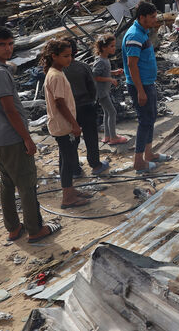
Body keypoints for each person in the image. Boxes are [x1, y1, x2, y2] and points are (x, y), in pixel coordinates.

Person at [0, 27, 59, 242]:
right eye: (1, 45)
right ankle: (35, 229)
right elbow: (9, 110)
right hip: (12, 138)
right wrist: (26, 137)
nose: (8, 49)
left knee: (6, 184)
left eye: (10, 44)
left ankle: (14, 228)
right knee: (26, 185)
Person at [42, 39, 91, 209]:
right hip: (63, 126)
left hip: (62, 124)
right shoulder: (55, 75)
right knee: (69, 161)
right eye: (65, 56)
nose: (69, 59)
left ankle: (70, 191)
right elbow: (60, 103)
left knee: (66, 159)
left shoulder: (57, 71)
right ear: (54, 56)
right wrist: (74, 125)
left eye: (70, 55)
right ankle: (67, 198)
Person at [123, 1, 169, 174]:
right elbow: (132, 65)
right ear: (141, 18)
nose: (154, 20)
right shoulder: (134, 35)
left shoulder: (142, 32)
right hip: (140, 86)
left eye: (155, 16)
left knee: (151, 118)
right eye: (151, 17)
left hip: (148, 83)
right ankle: (138, 162)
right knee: (144, 121)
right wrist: (140, 91)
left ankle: (149, 154)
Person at [63, 39, 109, 176]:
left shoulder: (57, 70)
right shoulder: (82, 67)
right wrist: (92, 100)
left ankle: (75, 169)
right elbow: (92, 87)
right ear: (76, 52)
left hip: (68, 110)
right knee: (91, 138)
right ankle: (95, 165)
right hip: (86, 105)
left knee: (73, 140)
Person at [93, 34, 127, 145]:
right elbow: (95, 76)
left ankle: (107, 136)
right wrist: (110, 79)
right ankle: (113, 137)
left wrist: (114, 72)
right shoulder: (100, 61)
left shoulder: (104, 59)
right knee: (112, 112)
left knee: (107, 113)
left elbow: (104, 72)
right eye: (111, 46)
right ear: (104, 48)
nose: (114, 48)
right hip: (101, 92)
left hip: (103, 91)